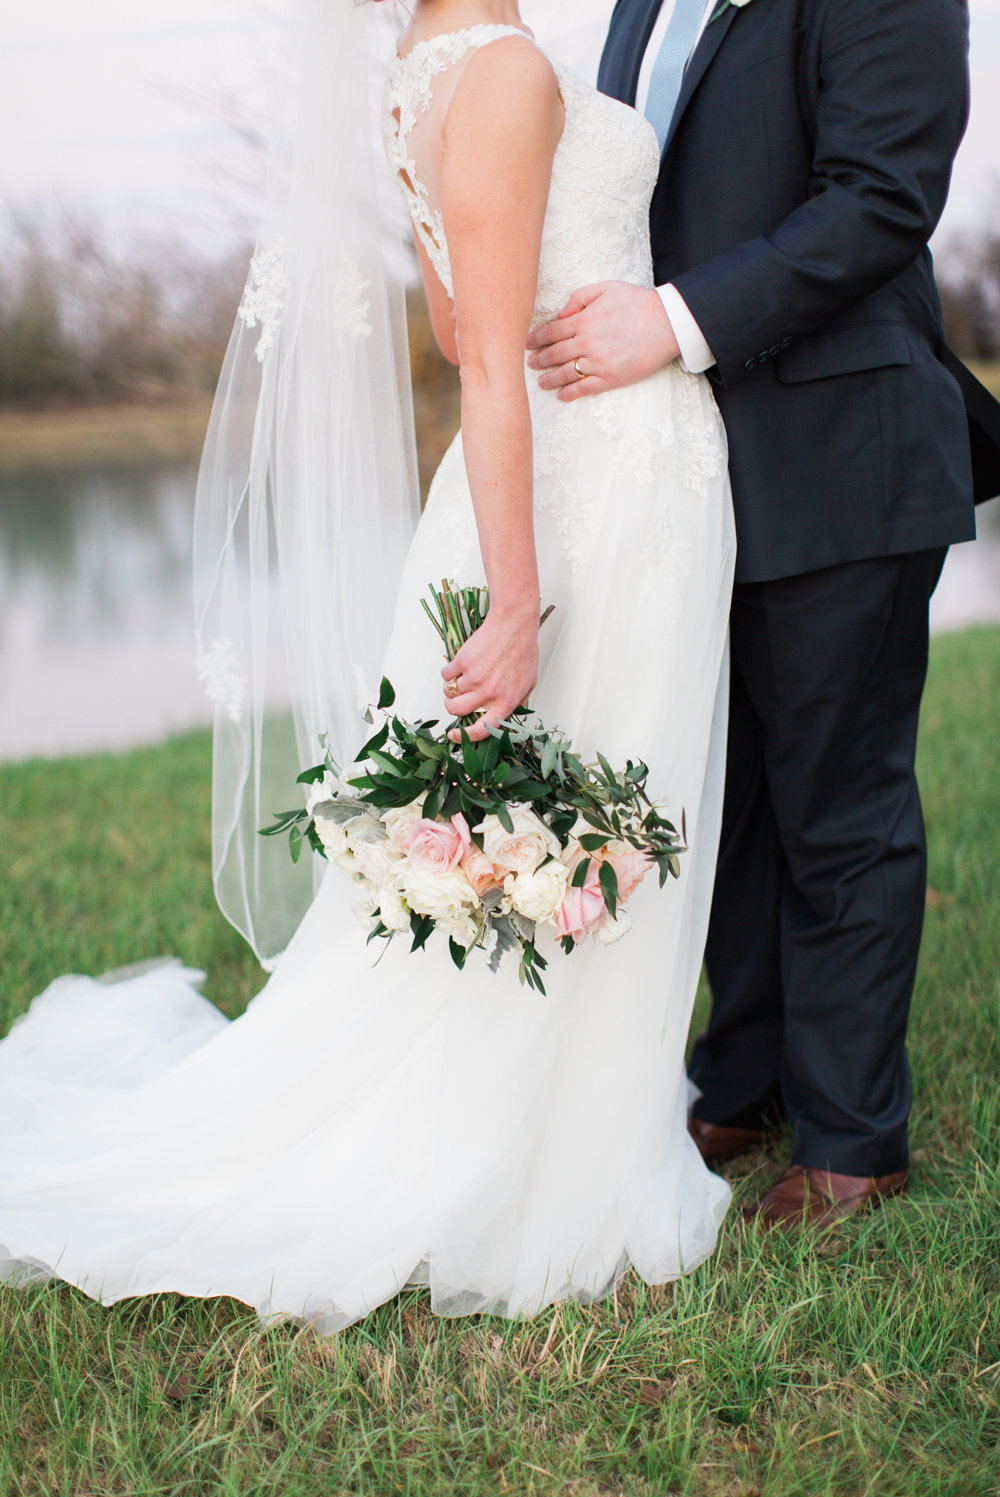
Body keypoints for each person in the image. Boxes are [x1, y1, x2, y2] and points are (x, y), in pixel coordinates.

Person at [0, 0, 736, 1331]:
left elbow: (460, 328)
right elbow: (490, 371)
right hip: (587, 497)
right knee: (570, 814)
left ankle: (561, 1122)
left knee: (550, 836)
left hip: (559, 477)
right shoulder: (505, 73)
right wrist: (514, 605)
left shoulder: (419, 73)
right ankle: (546, 1166)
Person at [527, 0, 1000, 1227]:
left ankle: (851, 1140)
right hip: (678, 466)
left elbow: (883, 194)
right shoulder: (643, 6)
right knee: (722, 796)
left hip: (841, 447)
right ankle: (742, 1082)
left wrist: (670, 323)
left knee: (837, 805)